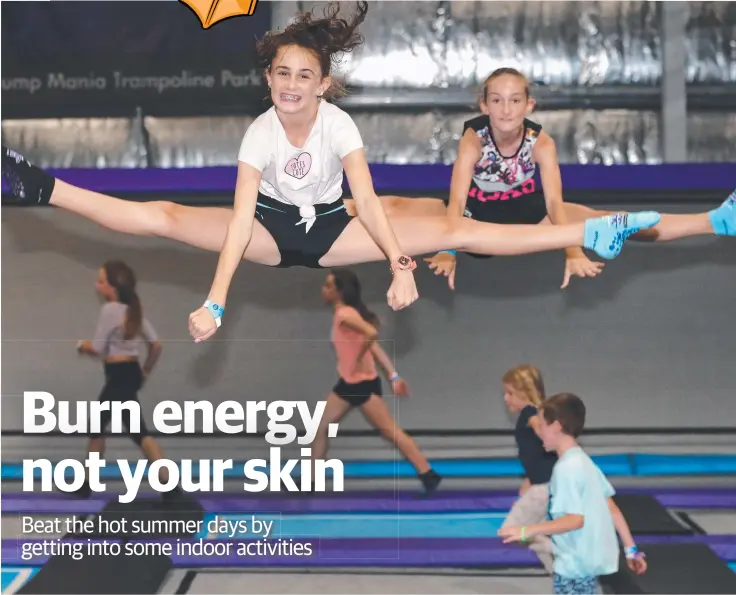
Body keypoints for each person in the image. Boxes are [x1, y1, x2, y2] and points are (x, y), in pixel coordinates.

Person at [1, 2, 661, 338]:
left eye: (304, 76)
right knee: (166, 218)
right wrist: (216, 299)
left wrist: (401, 265)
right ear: (268, 78)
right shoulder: (259, 133)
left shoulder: (338, 125)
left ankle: (594, 231)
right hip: (267, 230)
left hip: (332, 231)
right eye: (282, 74)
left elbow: (370, 205)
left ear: (323, 85)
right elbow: (236, 227)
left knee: (461, 229)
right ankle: (40, 184)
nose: (291, 85)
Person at [409, 67, 736, 290]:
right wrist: (447, 251)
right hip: (472, 216)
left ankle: (716, 221)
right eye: (496, 101)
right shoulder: (474, 138)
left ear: (529, 105)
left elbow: (553, 203)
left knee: (607, 221)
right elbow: (458, 198)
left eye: (515, 100)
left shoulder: (542, 143)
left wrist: (574, 250)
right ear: (484, 105)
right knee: (401, 207)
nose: (506, 110)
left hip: (526, 213)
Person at [498, 392, 647, 594]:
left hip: (573, 568)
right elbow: (612, 509)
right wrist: (631, 551)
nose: (538, 432)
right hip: (585, 566)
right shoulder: (585, 462)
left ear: (557, 426)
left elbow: (574, 520)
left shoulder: (566, 469)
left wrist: (525, 530)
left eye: (542, 425)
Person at [310, 268, 442, 495]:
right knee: (320, 427)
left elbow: (371, 335)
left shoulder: (345, 315)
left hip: (360, 385)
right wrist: (393, 376)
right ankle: (310, 481)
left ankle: (428, 473)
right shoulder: (348, 313)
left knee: (390, 431)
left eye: (328, 286)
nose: (323, 289)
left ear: (339, 292)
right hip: (348, 384)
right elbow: (375, 347)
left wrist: (360, 356)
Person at [75, 260, 180, 499]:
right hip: (129, 373)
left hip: (118, 374)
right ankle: (171, 487)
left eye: (101, 281)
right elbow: (156, 345)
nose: (96, 285)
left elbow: (99, 348)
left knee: (99, 428)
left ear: (113, 287)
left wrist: (81, 345)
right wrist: (144, 371)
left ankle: (86, 484)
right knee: (135, 432)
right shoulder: (132, 310)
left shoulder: (110, 310)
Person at [499, 364, 557, 573]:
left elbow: (543, 435)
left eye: (510, 393)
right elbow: (536, 454)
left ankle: (564, 551)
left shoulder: (531, 413)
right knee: (537, 534)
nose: (506, 398)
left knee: (509, 531)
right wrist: (528, 479)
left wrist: (549, 436)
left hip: (544, 489)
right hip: (542, 484)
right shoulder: (533, 413)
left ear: (525, 392)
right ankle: (562, 578)